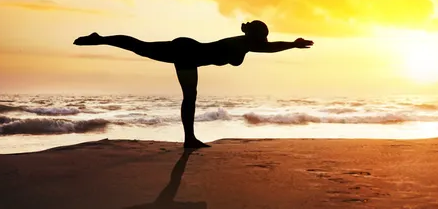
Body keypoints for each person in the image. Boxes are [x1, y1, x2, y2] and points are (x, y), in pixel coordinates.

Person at [73, 20, 314, 148]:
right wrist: (292, 44)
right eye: (262, 37)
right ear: (254, 37)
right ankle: (101, 39)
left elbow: (271, 47)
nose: (265, 41)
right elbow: (271, 48)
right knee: (142, 48)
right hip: (186, 52)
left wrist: (293, 44)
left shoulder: (247, 43)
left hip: (190, 53)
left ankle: (189, 139)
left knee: (148, 53)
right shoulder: (242, 44)